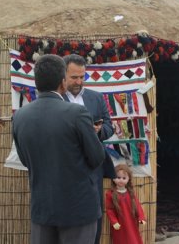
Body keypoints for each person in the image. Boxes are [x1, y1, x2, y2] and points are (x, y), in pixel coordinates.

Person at [12, 54, 105, 244]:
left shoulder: (20, 116)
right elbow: (96, 157)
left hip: (42, 209)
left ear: (36, 82)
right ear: (63, 82)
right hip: (77, 211)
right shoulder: (77, 113)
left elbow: (25, 160)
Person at [62, 54, 116, 244]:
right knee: (68, 213)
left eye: (82, 77)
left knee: (94, 213)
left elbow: (110, 126)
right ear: (63, 75)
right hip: (65, 167)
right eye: (74, 77)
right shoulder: (56, 99)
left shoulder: (96, 98)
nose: (78, 81)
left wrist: (98, 131)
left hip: (93, 167)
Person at [105, 164, 146, 244]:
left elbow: (137, 206)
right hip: (120, 224)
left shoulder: (131, 193)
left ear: (128, 179)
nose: (121, 180)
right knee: (121, 240)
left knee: (133, 239)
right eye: (118, 177)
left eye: (124, 178)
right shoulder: (110, 194)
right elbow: (110, 210)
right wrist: (114, 222)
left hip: (131, 222)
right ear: (113, 178)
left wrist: (141, 217)